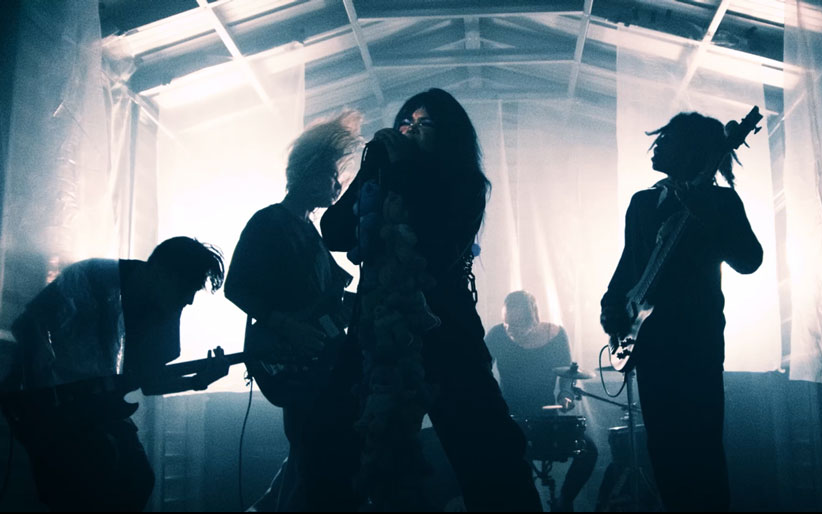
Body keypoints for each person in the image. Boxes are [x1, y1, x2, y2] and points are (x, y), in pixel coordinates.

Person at [310, 88, 542, 511]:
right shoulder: (381, 180)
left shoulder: (464, 186)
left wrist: (402, 171)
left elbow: (433, 252)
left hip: (444, 333)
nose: (410, 130)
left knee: (488, 453)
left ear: (449, 135)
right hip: (376, 334)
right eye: (405, 123)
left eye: (424, 124)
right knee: (342, 449)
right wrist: (370, 171)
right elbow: (335, 233)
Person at [600, 112, 764, 512]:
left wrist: (707, 214)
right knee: (664, 455)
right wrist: (611, 306)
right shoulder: (642, 204)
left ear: (693, 150)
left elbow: (750, 260)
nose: (657, 145)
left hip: (697, 346)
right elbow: (630, 266)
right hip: (651, 348)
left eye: (668, 139)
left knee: (703, 455)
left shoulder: (721, 202)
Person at [1, 236, 229, 511]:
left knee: (138, 481)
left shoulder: (166, 309)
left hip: (94, 412)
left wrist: (197, 381)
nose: (189, 300)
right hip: (50, 411)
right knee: (94, 480)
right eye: (186, 289)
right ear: (159, 271)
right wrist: (43, 367)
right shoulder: (93, 276)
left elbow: (151, 382)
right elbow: (27, 324)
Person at [224, 111, 361, 511]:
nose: (338, 184)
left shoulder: (309, 231)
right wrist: (287, 326)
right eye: (332, 175)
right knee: (314, 456)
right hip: (296, 363)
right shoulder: (269, 221)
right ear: (308, 174)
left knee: (315, 457)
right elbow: (236, 287)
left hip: (321, 365)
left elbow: (325, 301)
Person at [485, 290, 599, 511]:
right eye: (509, 325)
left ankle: (564, 501)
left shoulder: (555, 335)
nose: (513, 330)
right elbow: (481, 371)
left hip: (547, 418)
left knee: (588, 451)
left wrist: (566, 394)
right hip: (510, 420)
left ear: (534, 319)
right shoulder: (497, 335)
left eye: (519, 325)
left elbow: (567, 375)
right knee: (516, 463)